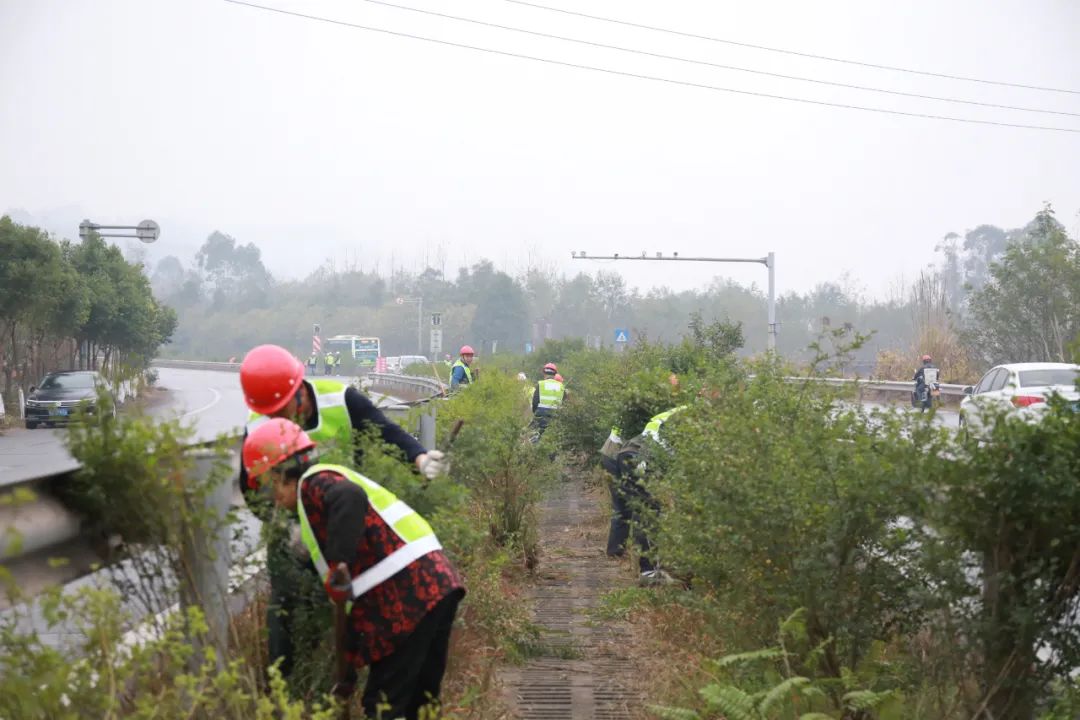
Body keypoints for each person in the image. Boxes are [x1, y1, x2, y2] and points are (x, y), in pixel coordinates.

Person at [239, 344, 448, 680]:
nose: (281, 421)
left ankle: (349, 679)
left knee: (356, 608)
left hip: (346, 528)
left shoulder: (341, 400)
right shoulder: (257, 423)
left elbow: (385, 432)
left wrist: (419, 458)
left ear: (300, 389)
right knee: (286, 613)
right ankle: (289, 689)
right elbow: (251, 488)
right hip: (291, 536)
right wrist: (282, 526)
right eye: (272, 414)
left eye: (284, 410)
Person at [243, 418, 464, 720]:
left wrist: (339, 563)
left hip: (409, 592)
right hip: (435, 585)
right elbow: (346, 602)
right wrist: (347, 673)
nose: (273, 499)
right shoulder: (314, 504)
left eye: (267, 486)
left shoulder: (314, 482)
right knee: (420, 702)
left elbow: (349, 498)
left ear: (280, 472)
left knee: (384, 705)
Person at [608, 406, 686, 586]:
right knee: (647, 510)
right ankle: (648, 571)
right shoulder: (689, 418)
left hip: (631, 453)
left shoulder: (677, 412)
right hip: (640, 456)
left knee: (644, 509)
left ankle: (649, 567)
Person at [531, 363, 564, 435]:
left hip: (541, 414)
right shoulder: (561, 386)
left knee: (534, 434)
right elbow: (564, 402)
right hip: (555, 416)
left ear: (544, 373)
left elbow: (535, 402)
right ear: (555, 374)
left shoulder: (541, 384)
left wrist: (535, 414)